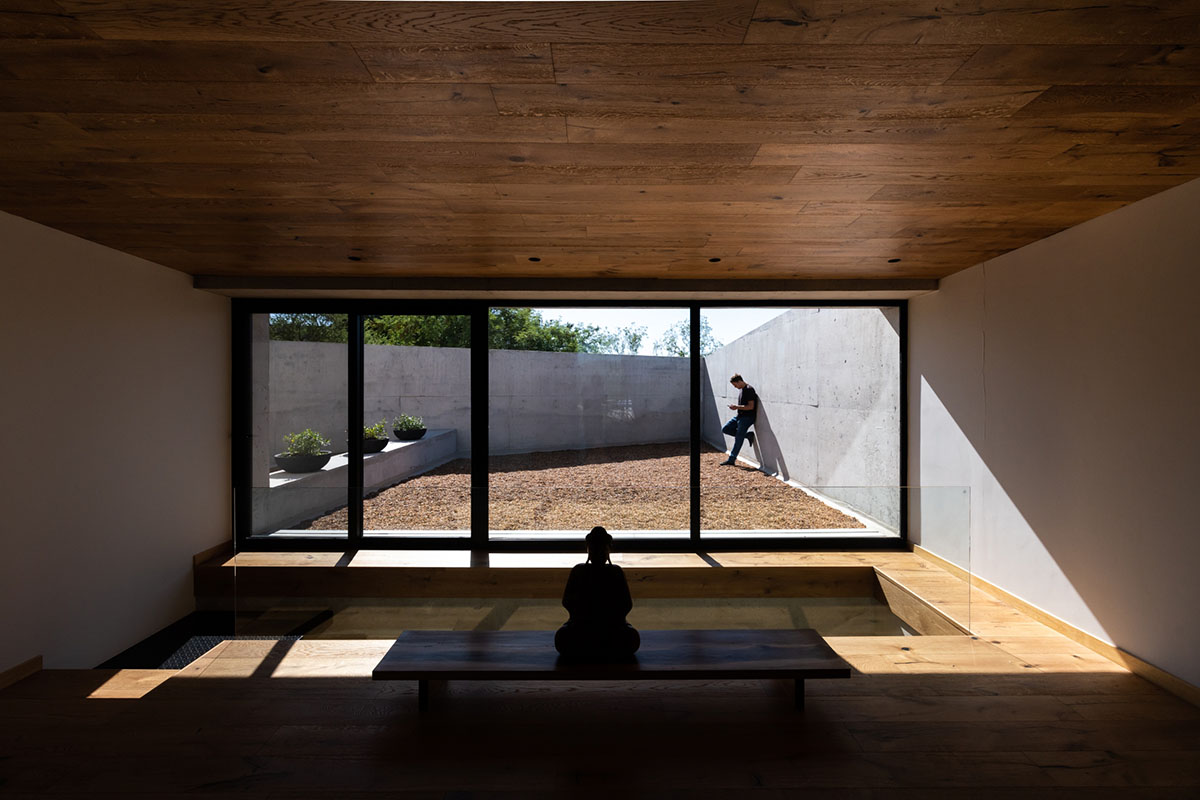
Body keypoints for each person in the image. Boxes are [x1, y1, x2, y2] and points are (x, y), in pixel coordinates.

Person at [554, 526, 640, 660]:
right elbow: (567, 602)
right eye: (595, 549)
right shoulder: (579, 571)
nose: (599, 553)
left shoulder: (615, 572)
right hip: (582, 626)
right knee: (563, 637)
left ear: (608, 550)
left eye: (602, 549)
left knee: (631, 637)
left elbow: (626, 605)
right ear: (588, 550)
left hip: (611, 627)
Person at [720, 373, 757, 465]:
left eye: (735, 385)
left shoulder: (749, 390)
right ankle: (747, 435)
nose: (735, 387)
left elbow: (751, 406)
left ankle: (731, 459)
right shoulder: (742, 390)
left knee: (738, 438)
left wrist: (736, 407)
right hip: (739, 416)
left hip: (747, 417)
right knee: (725, 429)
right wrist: (736, 407)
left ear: (739, 381)